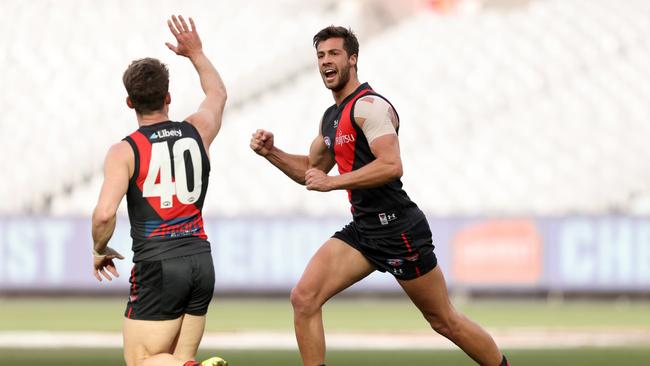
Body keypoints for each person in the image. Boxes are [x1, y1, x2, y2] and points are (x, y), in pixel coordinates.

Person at [250, 26, 510, 366]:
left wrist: (335, 182)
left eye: (334, 54)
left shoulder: (369, 107)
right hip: (365, 230)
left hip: (398, 228)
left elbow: (391, 165)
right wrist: (273, 153)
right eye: (320, 56)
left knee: (444, 321)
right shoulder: (331, 117)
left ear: (353, 59)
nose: (326, 62)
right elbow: (312, 172)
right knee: (304, 298)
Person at [91, 15, 227, 366]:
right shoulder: (198, 129)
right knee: (175, 359)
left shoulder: (125, 150)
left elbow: (105, 213)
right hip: (200, 258)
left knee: (142, 361)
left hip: (158, 264)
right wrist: (196, 53)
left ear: (129, 102)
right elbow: (217, 93)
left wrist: (100, 247)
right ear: (169, 96)